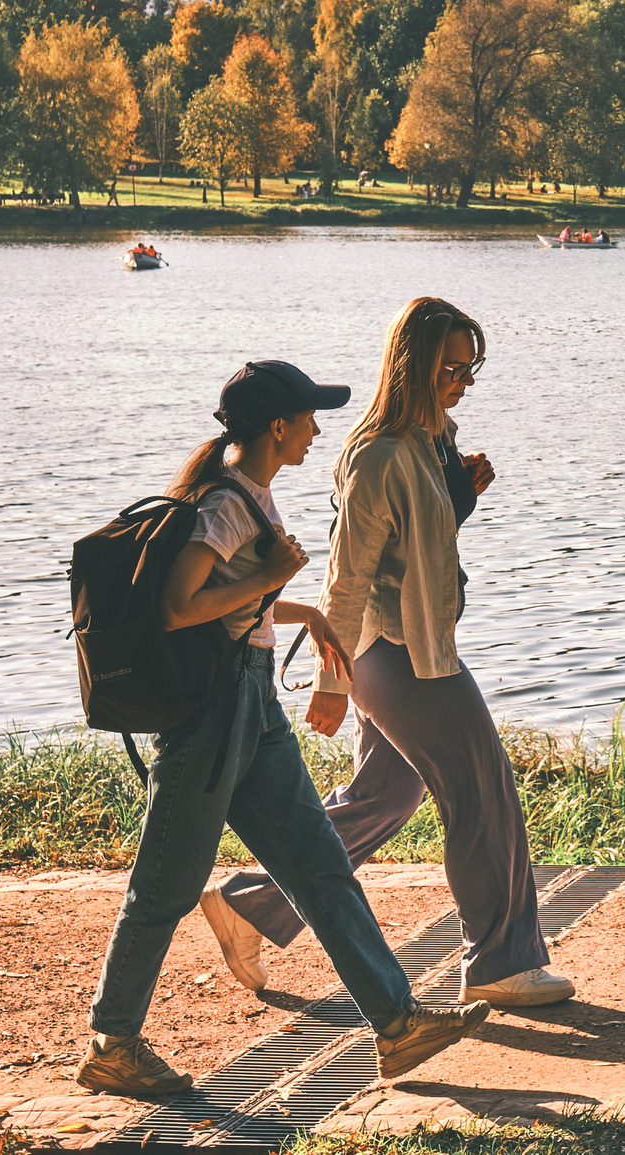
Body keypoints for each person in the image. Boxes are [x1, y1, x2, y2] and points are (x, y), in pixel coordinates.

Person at [80, 361, 489, 1098]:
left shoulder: (250, 493)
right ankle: (113, 1041)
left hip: (253, 703)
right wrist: (272, 579)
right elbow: (179, 606)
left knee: (320, 865)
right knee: (165, 885)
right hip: (211, 718)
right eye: (308, 416)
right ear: (277, 425)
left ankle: (397, 1024)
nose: (317, 428)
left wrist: (303, 611)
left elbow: (238, 608)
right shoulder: (226, 504)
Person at [204, 298, 573, 1010]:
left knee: (386, 795)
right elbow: (347, 576)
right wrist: (331, 684)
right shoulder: (378, 455)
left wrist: (458, 496)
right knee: (484, 793)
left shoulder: (429, 443)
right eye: (450, 367)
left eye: (471, 367)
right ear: (414, 364)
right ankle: (501, 957)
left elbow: (418, 544)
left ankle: (254, 903)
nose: (462, 379)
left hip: (401, 649)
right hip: (400, 657)